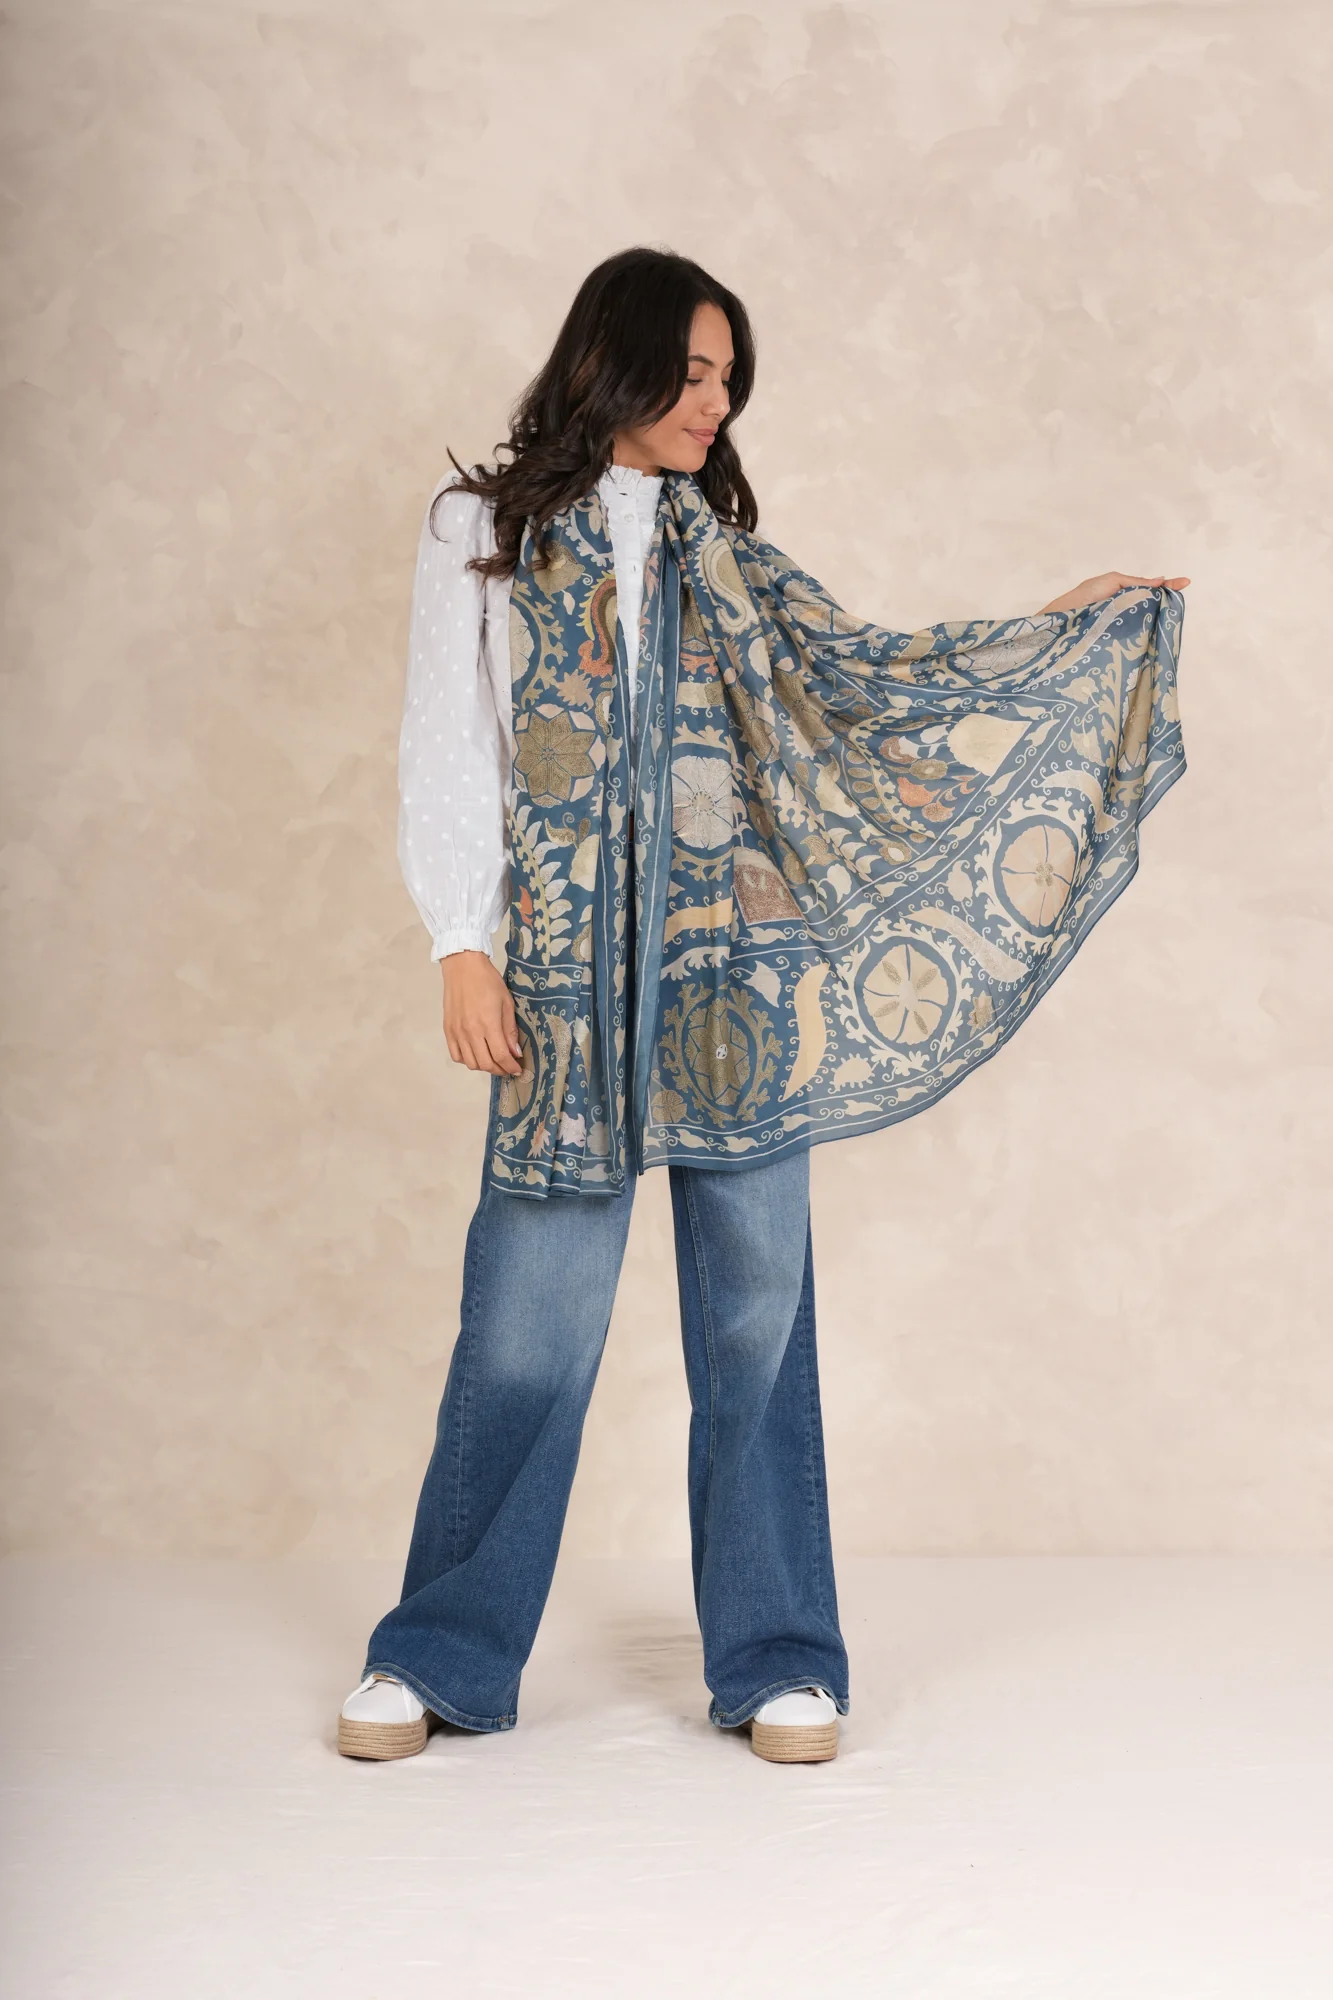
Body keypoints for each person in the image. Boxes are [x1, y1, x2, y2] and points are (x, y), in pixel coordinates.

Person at [337, 247, 1188, 1766]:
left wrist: (1058, 624)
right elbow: (447, 736)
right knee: (527, 1321)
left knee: (757, 1316)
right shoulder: (479, 531)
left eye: (730, 379)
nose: (716, 404)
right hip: (560, 980)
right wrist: (460, 940)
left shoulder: (724, 549)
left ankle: (781, 1654)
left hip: (740, 973)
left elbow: (865, 679)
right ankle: (441, 1652)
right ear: (614, 359)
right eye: (695, 372)